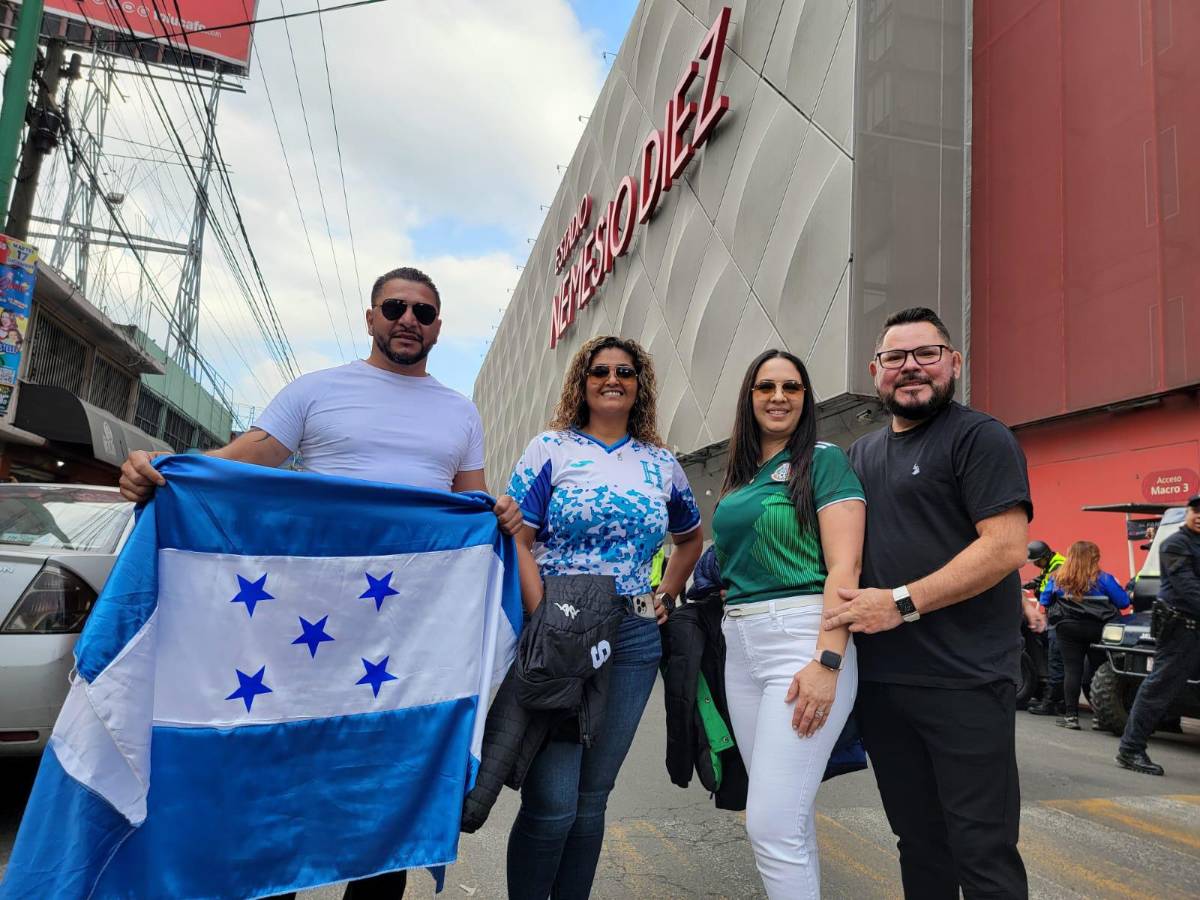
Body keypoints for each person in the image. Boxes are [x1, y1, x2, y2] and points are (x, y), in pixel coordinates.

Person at [118, 266, 520, 900]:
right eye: (394, 308)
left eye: (422, 312)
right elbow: (241, 462)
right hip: (306, 628)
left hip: (405, 637)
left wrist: (500, 517)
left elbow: (471, 509)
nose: (407, 320)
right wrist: (163, 472)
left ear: (438, 327)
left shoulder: (459, 413)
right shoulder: (315, 392)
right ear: (371, 318)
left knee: (384, 787)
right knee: (286, 780)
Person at [826, 307, 1032, 900]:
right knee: (918, 844)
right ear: (875, 371)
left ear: (953, 364)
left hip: (965, 683)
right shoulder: (860, 456)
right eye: (896, 357)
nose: (911, 367)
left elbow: (1005, 546)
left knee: (983, 852)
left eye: (927, 354)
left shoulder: (980, 437)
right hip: (887, 685)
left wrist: (901, 604)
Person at [503, 334, 703, 900]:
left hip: (636, 636)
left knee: (592, 800)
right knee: (553, 802)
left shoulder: (661, 464)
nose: (612, 379)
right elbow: (518, 537)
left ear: (640, 386)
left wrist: (666, 592)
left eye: (625, 372)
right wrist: (545, 616)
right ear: (582, 382)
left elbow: (690, 539)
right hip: (558, 629)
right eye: (599, 371)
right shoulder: (550, 449)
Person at [710, 349, 865, 898]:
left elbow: (845, 568)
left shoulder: (822, 460)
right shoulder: (743, 474)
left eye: (792, 387)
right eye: (766, 387)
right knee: (786, 820)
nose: (778, 397)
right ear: (749, 398)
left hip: (802, 640)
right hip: (742, 646)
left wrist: (827, 660)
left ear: (805, 398)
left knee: (770, 823)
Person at [1116, 494, 1200, 776]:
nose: (1199, 515)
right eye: (1195, 510)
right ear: (1188, 512)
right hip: (1180, 627)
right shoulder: (1175, 544)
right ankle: (1130, 749)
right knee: (1160, 686)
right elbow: (1188, 589)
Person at [1037, 541, 1133, 729]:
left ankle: (1071, 717)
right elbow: (1123, 603)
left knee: (1072, 671)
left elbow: (1045, 600)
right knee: (1097, 671)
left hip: (1068, 629)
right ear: (1095, 558)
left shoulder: (1057, 578)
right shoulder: (1104, 579)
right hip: (1098, 629)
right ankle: (1099, 717)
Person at [1024, 540, 1067, 716]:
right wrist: (1035, 583)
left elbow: (1049, 591)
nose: (1035, 564)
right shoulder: (1050, 565)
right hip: (1057, 614)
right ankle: (1057, 699)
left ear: (1045, 556)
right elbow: (1044, 581)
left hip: (1059, 615)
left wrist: (1039, 602)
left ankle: (1052, 701)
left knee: (1055, 659)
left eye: (1037, 561)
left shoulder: (1059, 564)